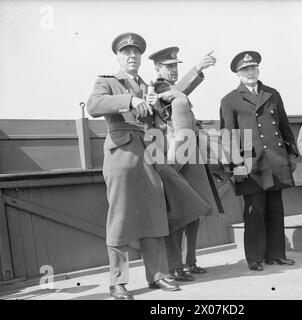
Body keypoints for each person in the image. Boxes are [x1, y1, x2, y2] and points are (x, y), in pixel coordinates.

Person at [86, 32, 210, 299]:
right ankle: (117, 282)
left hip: (150, 152)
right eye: (126, 52)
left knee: (155, 213)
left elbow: (174, 103)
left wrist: (153, 106)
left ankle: (158, 275)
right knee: (120, 218)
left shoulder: (148, 86)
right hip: (121, 155)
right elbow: (94, 106)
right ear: (118, 57)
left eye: (136, 52)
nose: (132, 56)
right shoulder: (107, 81)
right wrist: (129, 101)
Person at [148, 47, 224, 281]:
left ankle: (189, 261)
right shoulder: (157, 88)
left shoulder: (171, 90)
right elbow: (177, 94)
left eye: (175, 66)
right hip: (176, 159)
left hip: (192, 159)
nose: (173, 70)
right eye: (169, 66)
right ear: (157, 68)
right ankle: (175, 266)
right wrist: (197, 69)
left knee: (194, 215)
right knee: (179, 216)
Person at [219, 51, 298, 271]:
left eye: (252, 68)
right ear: (238, 74)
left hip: (275, 161)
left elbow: (284, 126)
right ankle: (254, 258)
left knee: (275, 209)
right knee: (254, 213)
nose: (250, 72)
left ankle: (276, 254)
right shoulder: (230, 100)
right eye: (245, 70)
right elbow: (228, 135)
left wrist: (292, 154)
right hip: (249, 166)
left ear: (258, 69)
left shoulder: (272, 94)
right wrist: (236, 166)